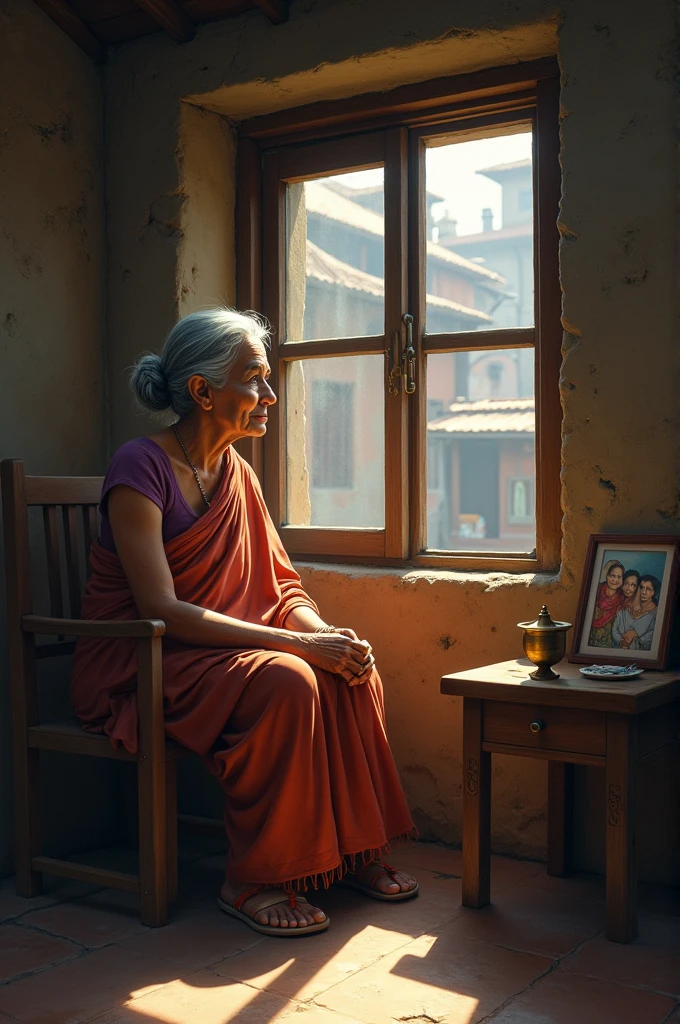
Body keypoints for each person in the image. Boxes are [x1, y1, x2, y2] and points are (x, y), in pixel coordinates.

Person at [71, 307, 417, 938]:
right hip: (144, 659)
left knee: (351, 671)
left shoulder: (240, 475)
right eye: (255, 379)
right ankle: (253, 878)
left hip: (217, 653)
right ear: (202, 391)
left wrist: (321, 636)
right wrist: (296, 647)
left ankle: (350, 854)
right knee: (289, 679)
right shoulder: (139, 468)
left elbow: (281, 587)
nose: (269, 394)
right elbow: (162, 610)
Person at [613, 573, 660, 651]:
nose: (644, 592)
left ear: (654, 592)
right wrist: (622, 641)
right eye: (641, 588)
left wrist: (633, 638)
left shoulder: (656, 614)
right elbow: (615, 629)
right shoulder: (624, 609)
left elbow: (652, 637)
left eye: (648, 589)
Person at [588, 559, 625, 647]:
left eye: (619, 577)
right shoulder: (595, 591)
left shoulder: (623, 598)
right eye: (612, 575)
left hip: (608, 645)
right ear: (607, 576)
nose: (615, 580)